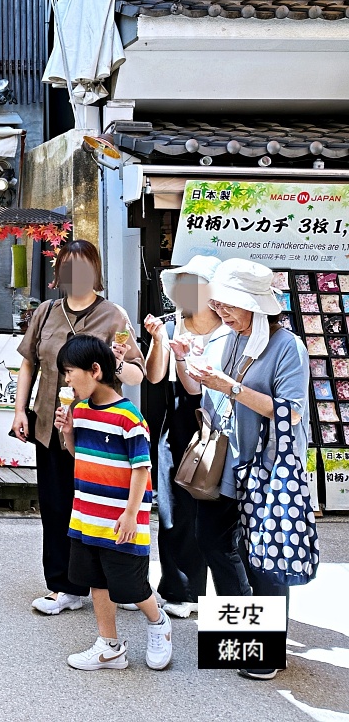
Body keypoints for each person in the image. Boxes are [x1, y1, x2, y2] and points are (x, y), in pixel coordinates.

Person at [186, 258, 311, 682]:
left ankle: (265, 650)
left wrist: (231, 387)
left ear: (258, 306)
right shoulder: (224, 338)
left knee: (264, 557)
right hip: (224, 460)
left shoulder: (287, 346)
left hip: (269, 465)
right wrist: (190, 364)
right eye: (218, 302)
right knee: (211, 541)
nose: (221, 310)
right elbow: (202, 391)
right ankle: (243, 629)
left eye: (230, 304)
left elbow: (290, 413)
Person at [13, 239, 146, 615]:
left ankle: (123, 583)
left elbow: (137, 373)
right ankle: (65, 586)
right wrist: (20, 410)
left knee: (103, 508)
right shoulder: (46, 312)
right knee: (56, 507)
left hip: (99, 431)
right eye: (68, 268)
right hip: (51, 425)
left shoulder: (114, 316)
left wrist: (117, 363)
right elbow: (28, 365)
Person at [54, 335, 173, 672]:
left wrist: (132, 514)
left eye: (68, 371)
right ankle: (109, 646)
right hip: (87, 516)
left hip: (122, 520)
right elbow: (83, 458)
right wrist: (68, 434)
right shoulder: (80, 411)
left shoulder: (129, 418)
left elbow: (142, 469)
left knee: (131, 586)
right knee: (96, 581)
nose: (66, 380)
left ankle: (158, 623)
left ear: (94, 370)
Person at [142, 255, 227, 619]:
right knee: (172, 507)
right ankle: (178, 587)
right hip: (174, 419)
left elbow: (200, 389)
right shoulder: (170, 324)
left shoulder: (229, 330)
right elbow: (154, 376)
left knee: (211, 507)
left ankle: (204, 591)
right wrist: (162, 343)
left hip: (217, 421)